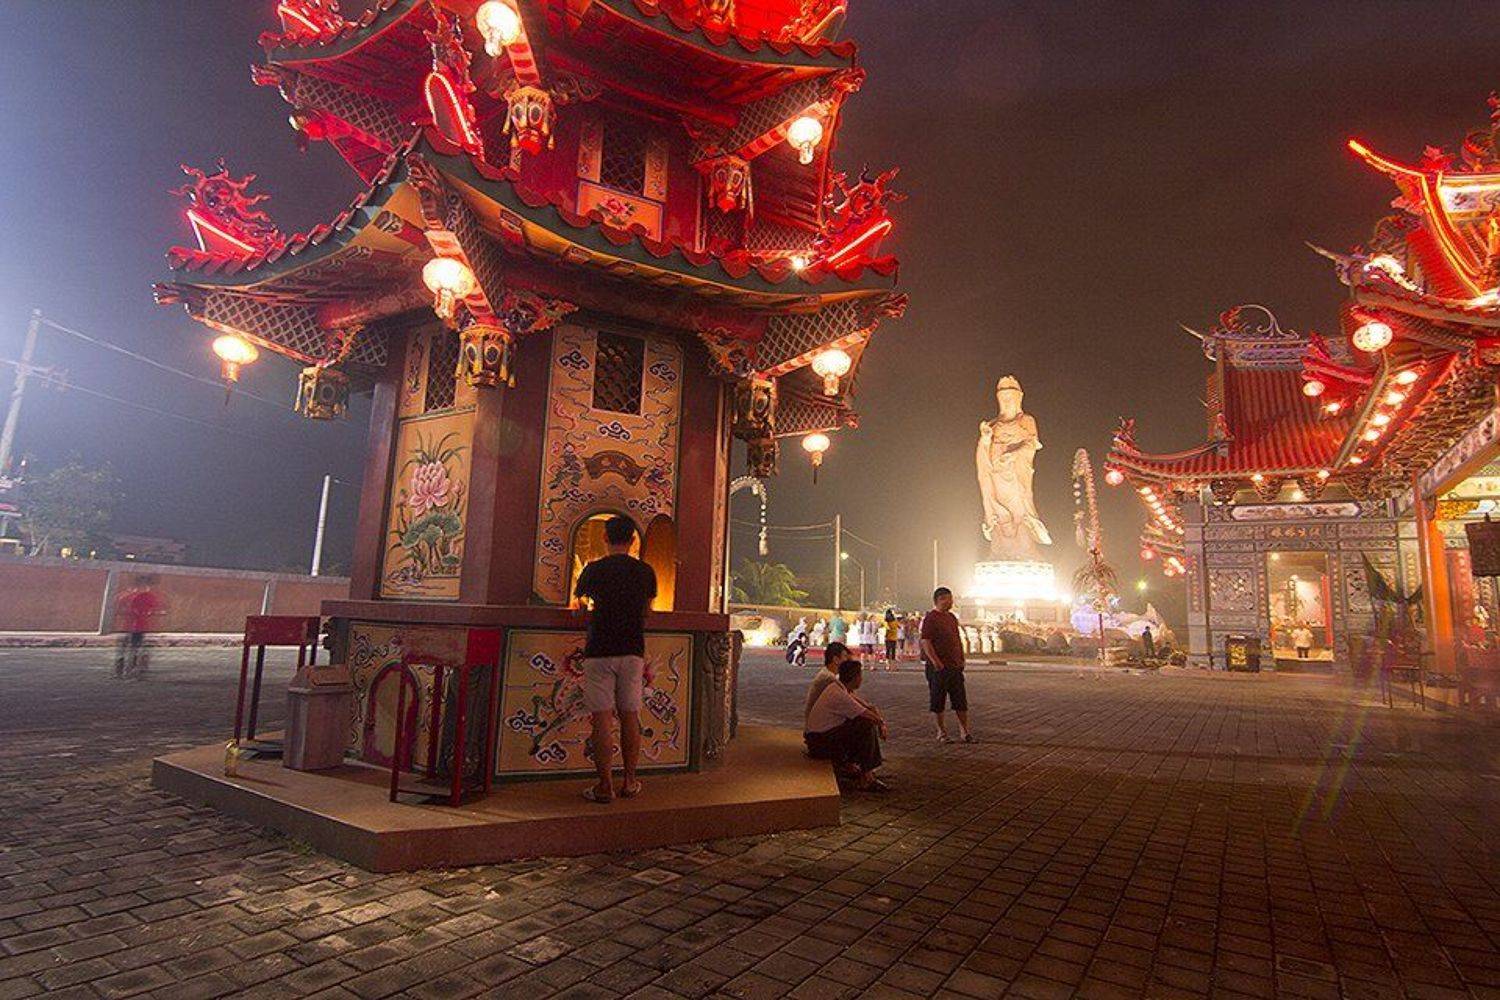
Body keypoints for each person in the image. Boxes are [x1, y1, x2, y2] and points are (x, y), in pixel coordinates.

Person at [574, 515, 657, 803]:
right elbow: (648, 611)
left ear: (605, 538)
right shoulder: (645, 571)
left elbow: (579, 606)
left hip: (599, 649)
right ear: (633, 540)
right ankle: (630, 781)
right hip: (632, 650)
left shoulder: (593, 569)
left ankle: (604, 786)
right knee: (630, 715)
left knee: (602, 719)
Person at [805, 659, 889, 792]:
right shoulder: (838, 694)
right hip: (819, 743)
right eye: (860, 675)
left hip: (819, 738)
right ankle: (867, 777)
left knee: (859, 722)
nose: (862, 679)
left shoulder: (839, 687)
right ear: (854, 677)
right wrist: (881, 723)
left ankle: (853, 766)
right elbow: (867, 714)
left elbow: (869, 707)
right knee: (865, 725)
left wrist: (879, 720)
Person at [921, 587, 971, 743]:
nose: (951, 602)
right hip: (939, 667)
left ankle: (964, 731)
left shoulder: (951, 617)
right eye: (949, 599)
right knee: (938, 700)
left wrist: (961, 658)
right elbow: (926, 641)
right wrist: (935, 661)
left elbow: (956, 639)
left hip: (955, 666)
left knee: (960, 700)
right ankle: (941, 732)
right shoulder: (931, 618)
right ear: (940, 599)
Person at [113, 576, 163, 680]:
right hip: (138, 626)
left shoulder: (126, 595)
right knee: (134, 648)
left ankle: (121, 671)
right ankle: (131, 670)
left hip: (128, 626)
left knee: (125, 648)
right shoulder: (147, 596)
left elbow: (118, 609)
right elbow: (154, 610)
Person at [803, 641, 851, 724]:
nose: (847, 660)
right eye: (845, 657)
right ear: (836, 659)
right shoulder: (829, 678)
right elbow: (849, 702)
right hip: (820, 724)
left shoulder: (827, 673)